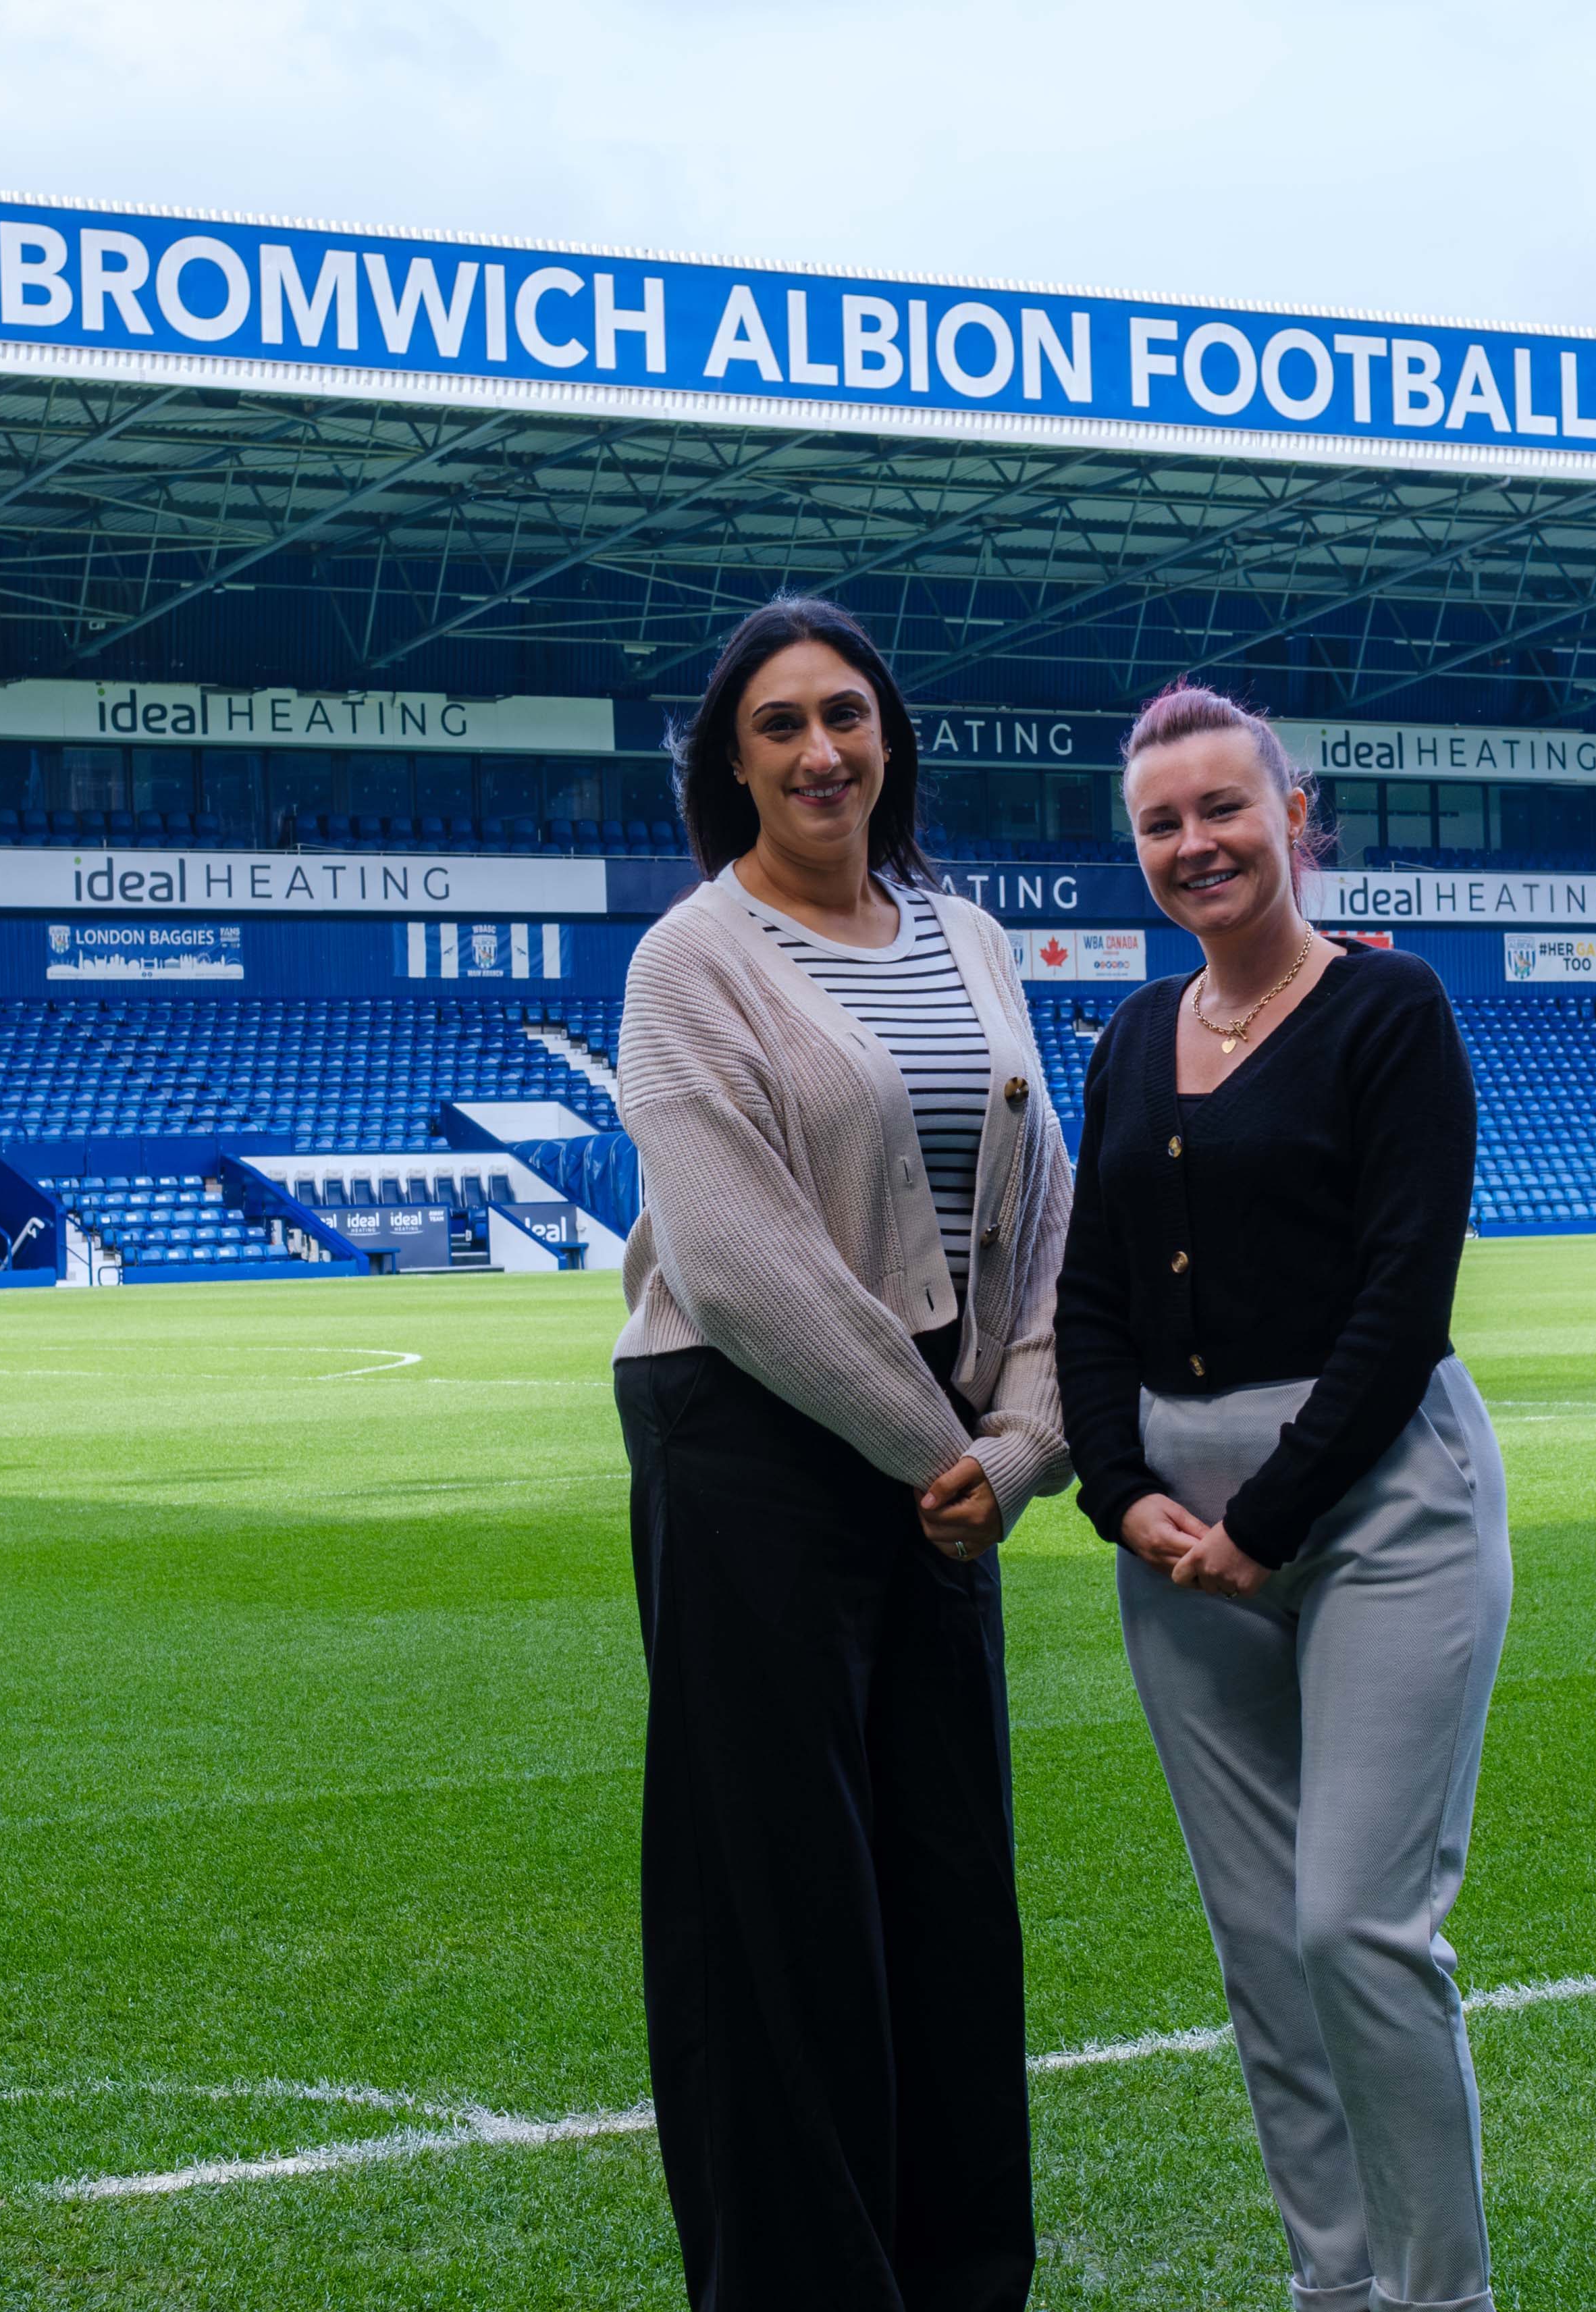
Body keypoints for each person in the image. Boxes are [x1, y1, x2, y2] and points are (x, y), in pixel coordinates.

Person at [611, 594, 1075, 2312]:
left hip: (947, 1462)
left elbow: (1043, 1216)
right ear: (731, 765)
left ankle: (960, 2276)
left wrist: (1021, 1445)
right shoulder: (693, 958)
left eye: (849, 714)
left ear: (892, 736)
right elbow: (736, 1260)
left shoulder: (973, 937)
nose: (823, 750)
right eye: (781, 725)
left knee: (953, 1884)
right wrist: (930, 1446)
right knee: (779, 1905)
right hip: (753, 1445)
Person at [1054, 685, 1506, 2312]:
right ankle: (1337, 2285)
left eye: (1224, 810)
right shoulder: (1123, 1040)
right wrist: (1122, 1495)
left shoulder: (1393, 1013)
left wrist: (1271, 1513)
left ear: (1293, 816)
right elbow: (1088, 1294)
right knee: (1262, 1953)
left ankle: (1437, 2296)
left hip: (1378, 1505)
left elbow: (1403, 1305)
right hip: (1179, 1539)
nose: (1195, 844)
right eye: (1162, 824)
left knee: (1353, 1930)